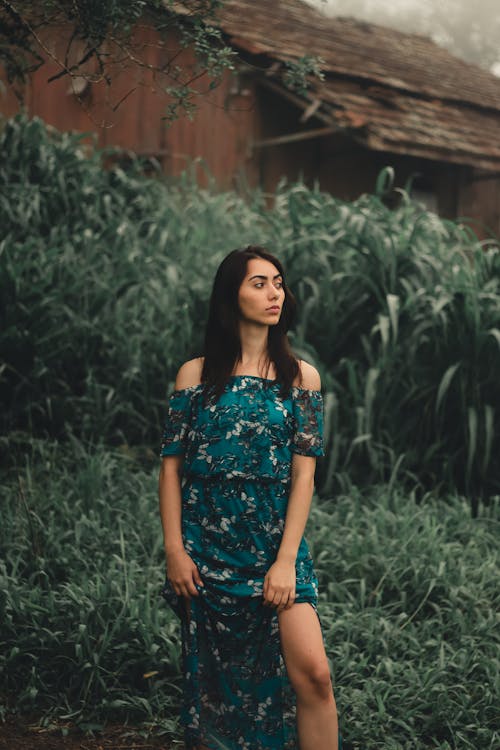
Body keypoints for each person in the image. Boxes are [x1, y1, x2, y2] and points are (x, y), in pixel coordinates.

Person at [158, 246, 340, 750]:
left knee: (315, 676)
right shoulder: (195, 377)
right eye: (258, 283)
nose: (273, 292)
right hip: (208, 552)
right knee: (218, 694)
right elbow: (171, 468)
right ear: (230, 294)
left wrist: (285, 563)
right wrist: (175, 550)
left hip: (275, 549)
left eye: (278, 282)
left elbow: (304, 478)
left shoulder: (301, 379)